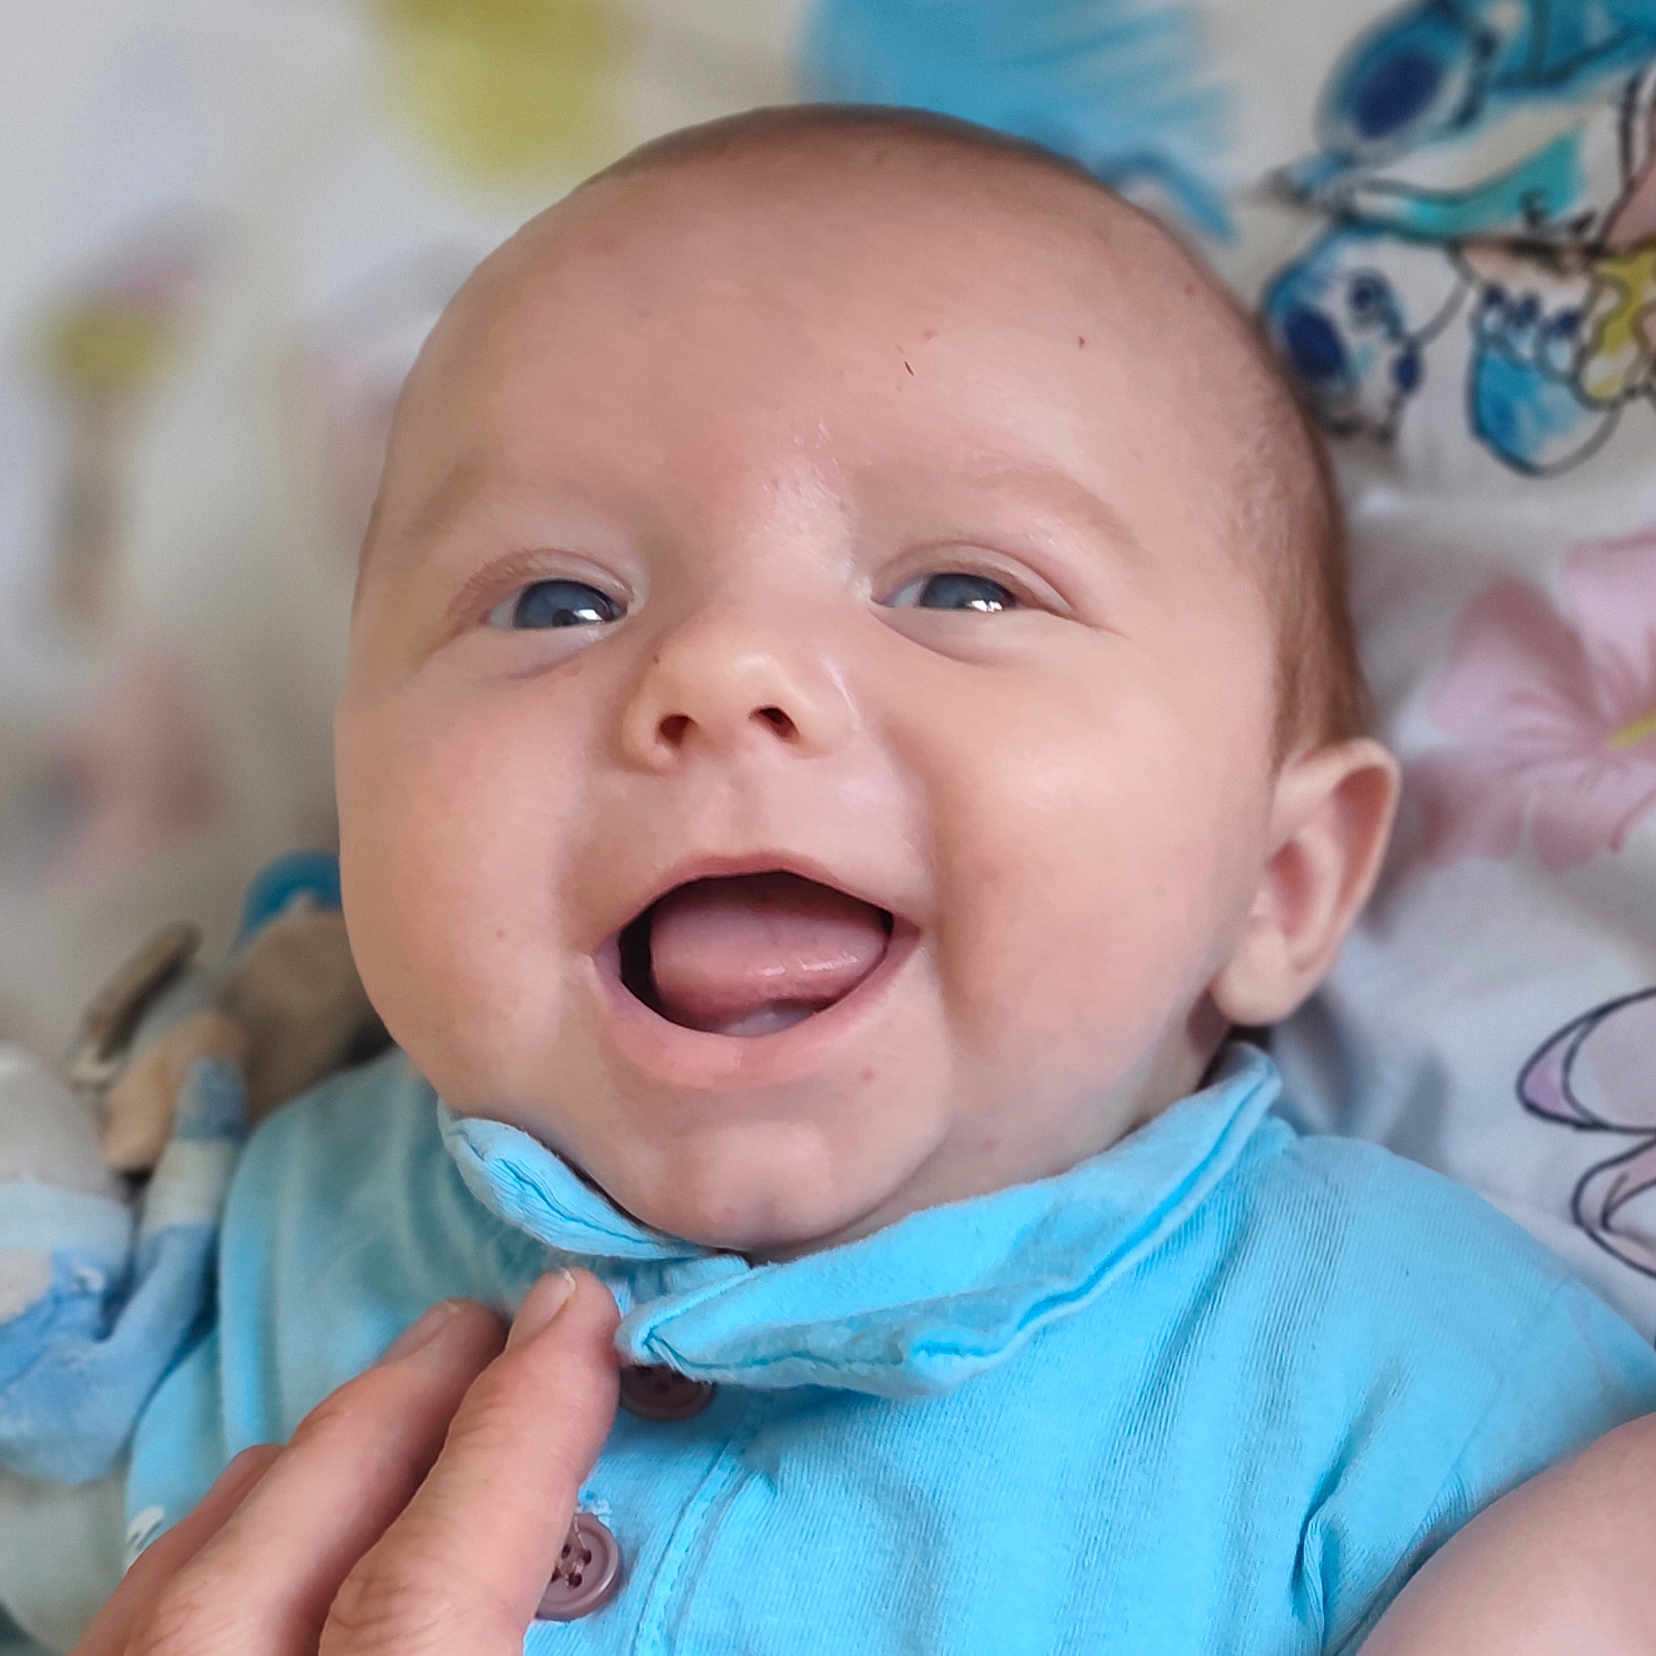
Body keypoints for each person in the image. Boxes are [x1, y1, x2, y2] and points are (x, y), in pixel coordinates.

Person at [49, 104, 1656, 1651]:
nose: (723, 664)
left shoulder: (1418, 1377)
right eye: (552, 601)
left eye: (963, 587)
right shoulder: (231, 1226)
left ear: (1281, 883)